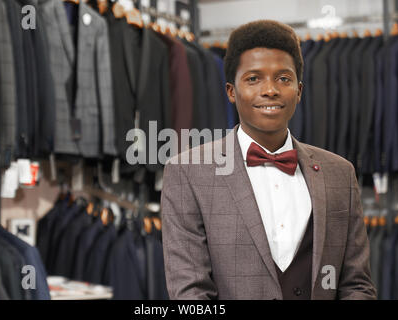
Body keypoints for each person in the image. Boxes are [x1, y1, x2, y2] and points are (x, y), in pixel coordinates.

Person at [160, 20, 377, 300]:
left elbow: (357, 285)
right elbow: (189, 292)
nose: (270, 90)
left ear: (299, 91)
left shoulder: (340, 173)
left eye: (283, 78)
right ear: (230, 91)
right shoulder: (187, 173)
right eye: (253, 79)